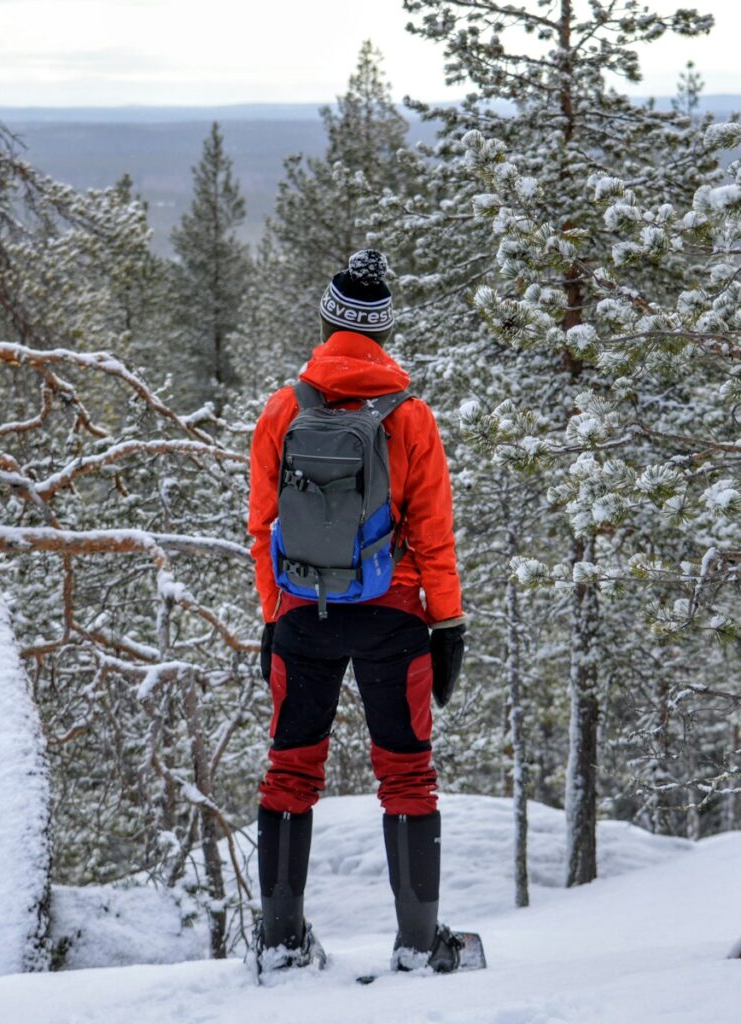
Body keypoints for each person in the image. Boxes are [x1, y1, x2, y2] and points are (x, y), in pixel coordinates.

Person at [247, 250, 466, 974]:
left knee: (288, 771)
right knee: (407, 775)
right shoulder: (411, 418)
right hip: (393, 613)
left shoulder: (284, 408)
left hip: (303, 613)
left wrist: (273, 614)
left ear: (327, 323)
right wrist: (449, 624)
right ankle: (416, 943)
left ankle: (279, 944)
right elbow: (434, 535)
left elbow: (262, 525)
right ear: (382, 335)